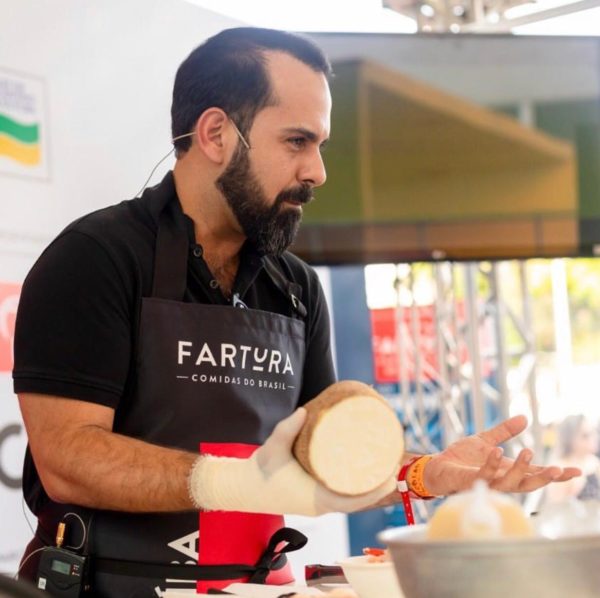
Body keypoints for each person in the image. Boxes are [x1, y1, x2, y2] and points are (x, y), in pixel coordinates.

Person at [12, 27, 579, 596]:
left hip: (259, 585)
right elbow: (68, 457)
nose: (318, 172)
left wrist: (427, 473)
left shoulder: (297, 288)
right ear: (215, 134)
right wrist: (239, 484)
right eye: (296, 142)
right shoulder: (96, 259)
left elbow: (329, 459)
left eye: (320, 145)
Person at [544, 414, 600, 504]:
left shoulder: (593, 461)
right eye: (585, 435)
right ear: (570, 440)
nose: (594, 438)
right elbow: (557, 509)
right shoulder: (560, 470)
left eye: (593, 432)